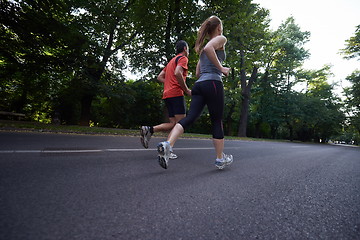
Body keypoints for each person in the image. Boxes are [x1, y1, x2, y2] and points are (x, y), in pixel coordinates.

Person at [157, 16, 233, 170]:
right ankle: (220, 158)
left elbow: (198, 73)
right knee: (217, 120)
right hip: (213, 83)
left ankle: (168, 144)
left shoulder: (203, 51)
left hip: (199, 85)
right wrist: (221, 68)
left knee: (190, 118)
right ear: (218, 28)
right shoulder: (220, 39)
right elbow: (208, 49)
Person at [140, 40, 191, 159]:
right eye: (187, 48)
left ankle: (150, 129)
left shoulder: (171, 61)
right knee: (181, 124)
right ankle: (168, 149)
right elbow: (178, 73)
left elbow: (159, 77)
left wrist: (170, 82)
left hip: (167, 94)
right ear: (184, 48)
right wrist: (186, 89)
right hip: (176, 94)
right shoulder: (182, 58)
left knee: (173, 124)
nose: (188, 51)